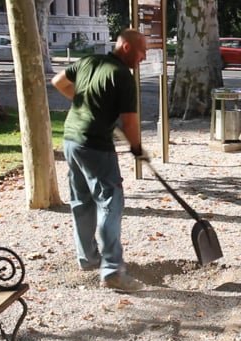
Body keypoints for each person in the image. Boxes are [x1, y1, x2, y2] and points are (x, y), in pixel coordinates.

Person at [51, 29, 147, 292]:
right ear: (126, 47)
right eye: (142, 51)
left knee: (82, 200)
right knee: (110, 203)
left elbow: (58, 81)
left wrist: (85, 103)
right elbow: (129, 122)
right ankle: (113, 270)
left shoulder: (88, 61)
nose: (144, 56)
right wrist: (137, 147)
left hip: (71, 139)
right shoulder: (122, 76)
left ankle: (88, 258)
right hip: (95, 145)